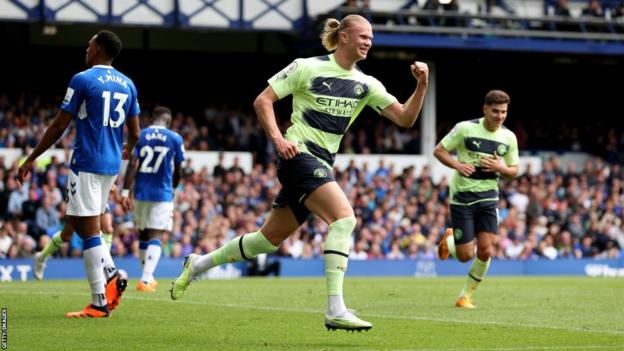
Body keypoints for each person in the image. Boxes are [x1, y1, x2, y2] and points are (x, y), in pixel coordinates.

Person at [170, 14, 429, 331]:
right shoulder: (306, 66)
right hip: (298, 155)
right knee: (344, 219)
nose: (369, 42)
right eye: (363, 36)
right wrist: (278, 139)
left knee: (266, 241)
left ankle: (198, 263)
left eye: (371, 38)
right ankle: (336, 309)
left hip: (320, 163)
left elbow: (404, 118)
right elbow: (263, 101)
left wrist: (422, 85)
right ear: (344, 36)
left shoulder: (367, 84)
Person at [17, 30, 141, 318]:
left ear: (97, 48)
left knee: (88, 232)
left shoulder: (82, 79)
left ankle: (109, 278)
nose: (86, 49)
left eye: (88, 44)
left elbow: (60, 125)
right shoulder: (128, 83)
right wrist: (128, 148)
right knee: (85, 228)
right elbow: (135, 132)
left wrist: (31, 158)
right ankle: (100, 300)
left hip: (86, 161)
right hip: (110, 166)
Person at [434, 90, 519, 309]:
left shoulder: (509, 137)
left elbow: (515, 169)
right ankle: (450, 239)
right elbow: (439, 150)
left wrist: (501, 167)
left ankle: (465, 296)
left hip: (489, 198)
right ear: (485, 109)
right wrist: (457, 165)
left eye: (504, 112)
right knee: (464, 256)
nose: (500, 116)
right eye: (495, 111)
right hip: (462, 198)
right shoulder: (465, 128)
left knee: (486, 250)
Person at [120, 106, 185, 292]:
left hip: (141, 192)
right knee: (157, 234)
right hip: (162, 193)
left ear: (151, 118)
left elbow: (132, 164)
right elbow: (178, 169)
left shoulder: (140, 135)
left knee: (143, 233)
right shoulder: (175, 138)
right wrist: (173, 188)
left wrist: (125, 192)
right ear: (168, 120)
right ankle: (146, 279)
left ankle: (147, 276)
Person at [32, 189, 117, 280]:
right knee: (66, 236)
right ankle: (41, 257)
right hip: (79, 196)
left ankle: (105, 266)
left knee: (108, 229)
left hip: (98, 196)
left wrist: (119, 192)